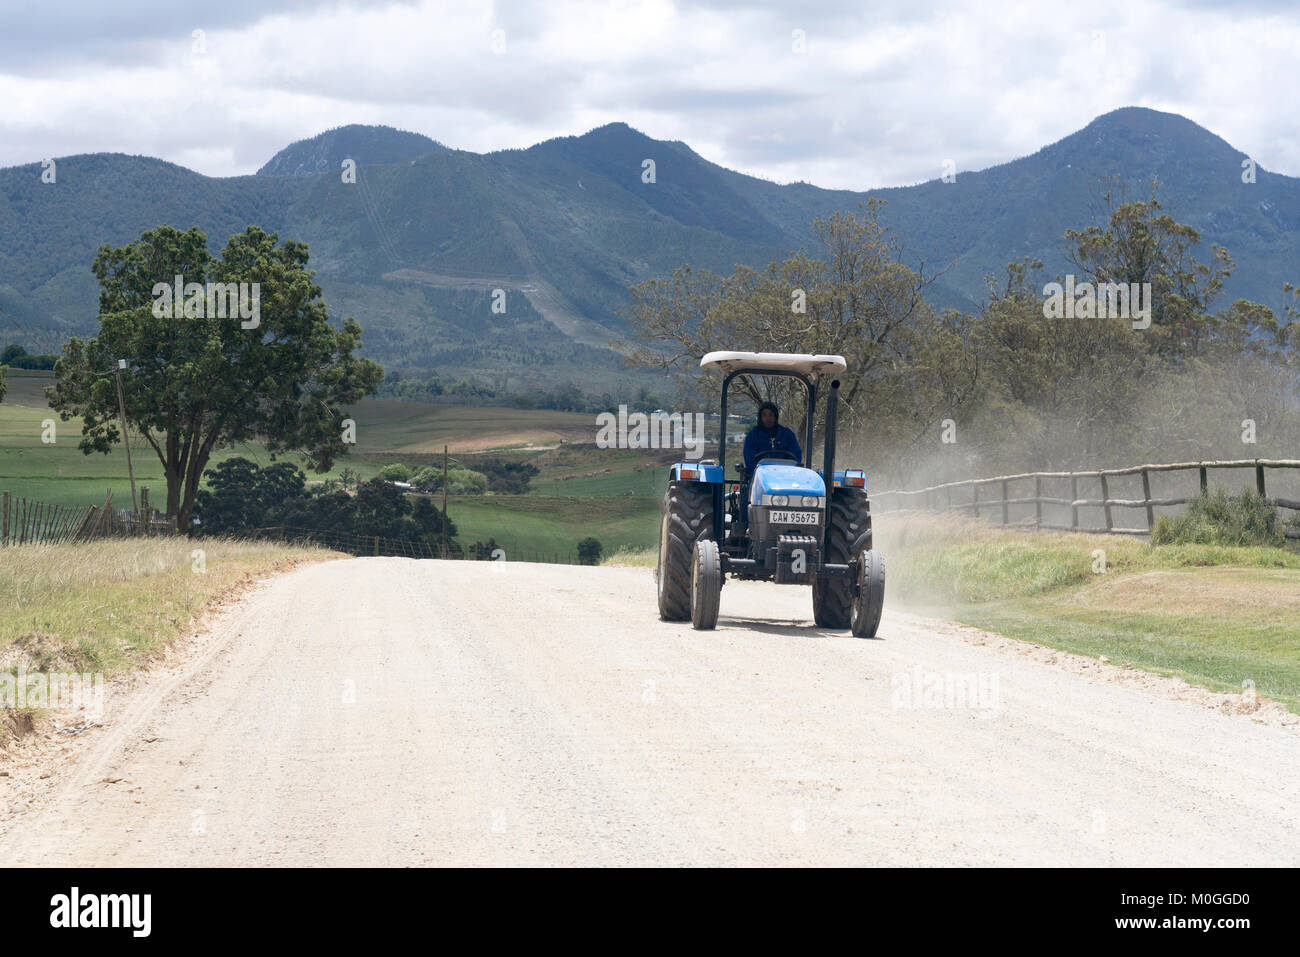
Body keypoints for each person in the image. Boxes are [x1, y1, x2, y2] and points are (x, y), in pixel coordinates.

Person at [736, 402, 802, 533]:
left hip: (786, 477)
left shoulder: (787, 435)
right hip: (760, 476)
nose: (768, 418)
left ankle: (795, 527)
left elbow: (796, 456)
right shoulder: (753, 436)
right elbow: (749, 460)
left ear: (776, 417)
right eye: (765, 415)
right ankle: (745, 526)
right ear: (760, 417)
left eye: (771, 415)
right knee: (747, 497)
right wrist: (756, 471)